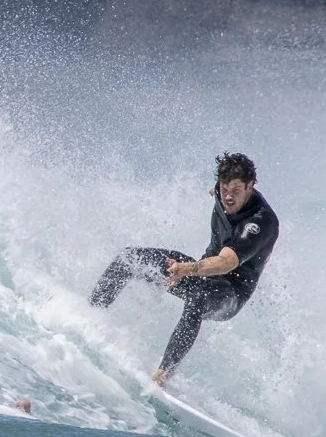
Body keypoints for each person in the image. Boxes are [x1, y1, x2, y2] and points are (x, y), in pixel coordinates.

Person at [89, 152, 278, 384]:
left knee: (197, 297)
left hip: (230, 293)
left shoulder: (260, 222)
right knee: (130, 258)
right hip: (201, 274)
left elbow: (225, 262)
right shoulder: (221, 191)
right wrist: (215, 191)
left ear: (251, 186)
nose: (228, 196)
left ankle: (162, 375)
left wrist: (184, 268)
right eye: (224, 188)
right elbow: (218, 192)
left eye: (236, 190)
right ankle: (91, 315)